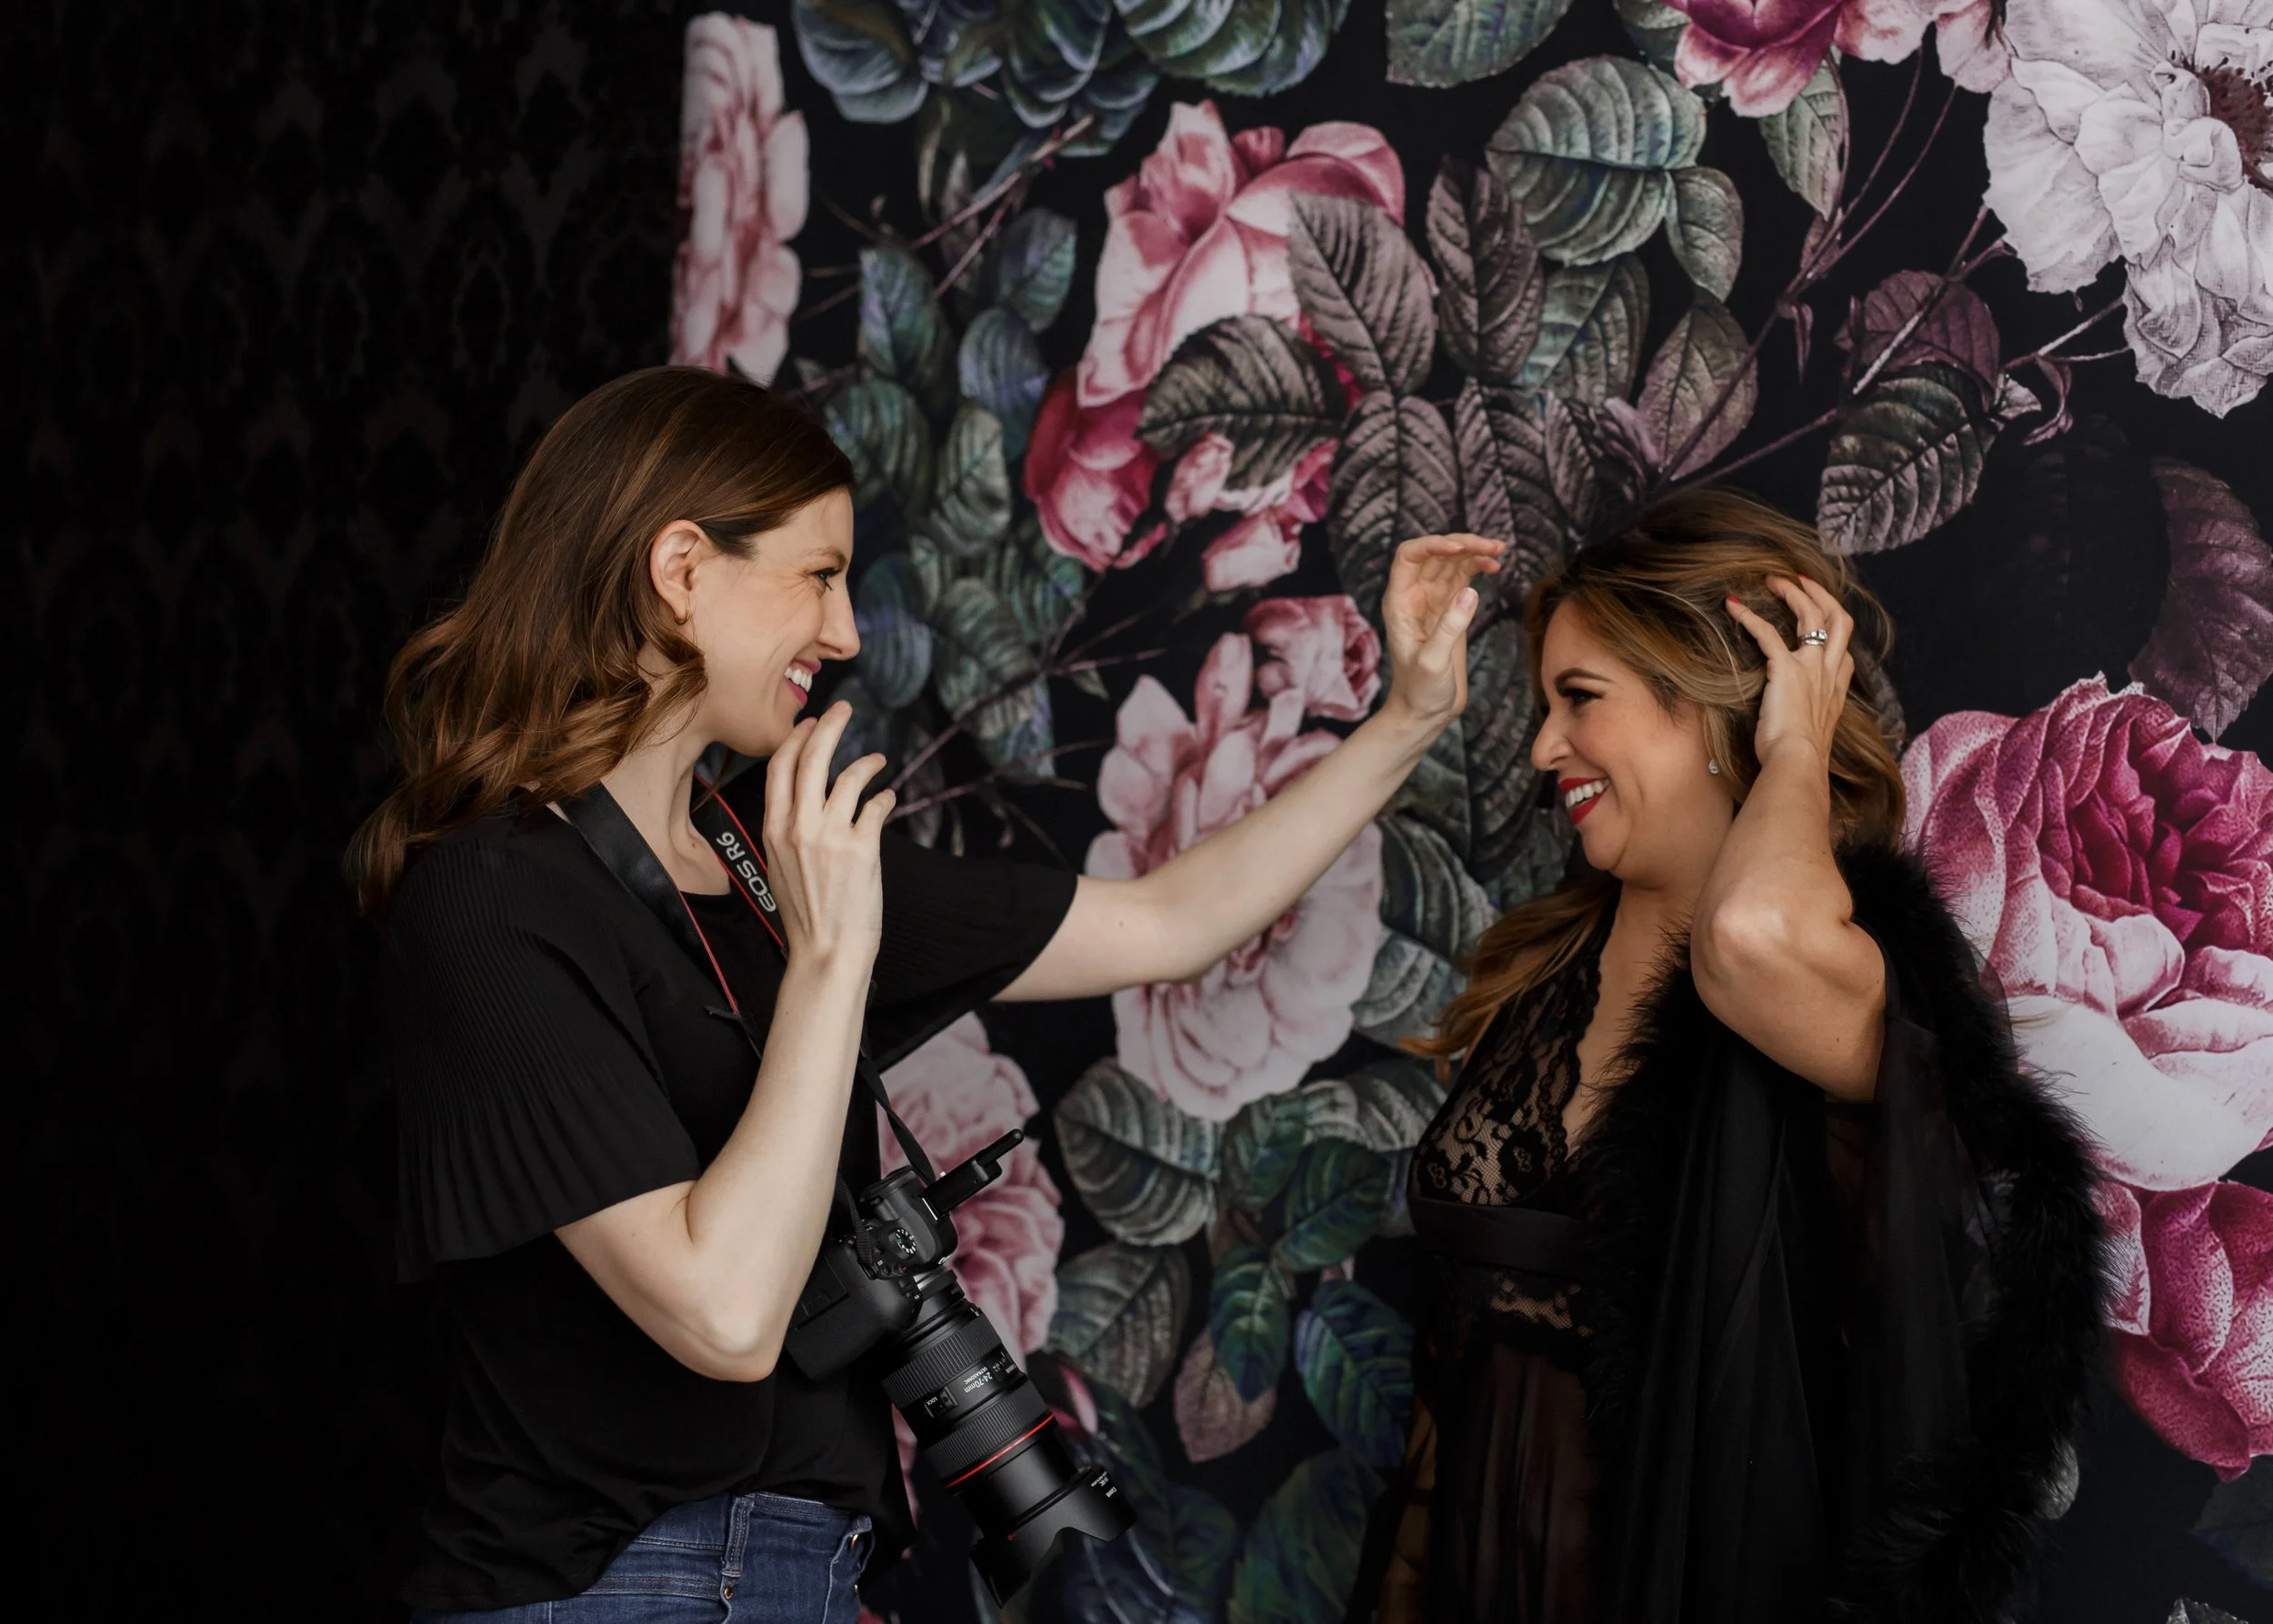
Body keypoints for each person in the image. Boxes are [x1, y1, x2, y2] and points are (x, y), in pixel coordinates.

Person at [349, 366, 1505, 1621]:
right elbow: (727, 1313)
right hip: (612, 1585)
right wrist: (834, 955)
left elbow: (1170, 922)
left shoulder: (768, 855)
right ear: (680, 569)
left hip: (805, 1571)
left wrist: (1406, 717)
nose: (844, 636)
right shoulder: (493, 896)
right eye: (818, 574)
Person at [1355, 491, 2104, 1624]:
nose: (1543, 745)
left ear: (1712, 713)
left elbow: (1745, 939)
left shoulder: (1845, 968)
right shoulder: (1543, 967)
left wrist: (1795, 738)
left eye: (1580, 700)